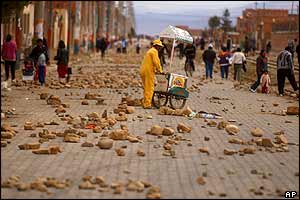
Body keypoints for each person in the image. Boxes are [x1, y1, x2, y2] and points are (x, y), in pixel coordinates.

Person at [140, 39, 163, 109]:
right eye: (159, 46)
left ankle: (145, 102)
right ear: (156, 46)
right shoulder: (154, 52)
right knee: (150, 88)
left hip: (143, 70)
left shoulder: (150, 51)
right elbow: (156, 62)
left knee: (146, 88)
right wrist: (160, 70)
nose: (160, 48)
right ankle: (147, 104)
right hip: (148, 72)